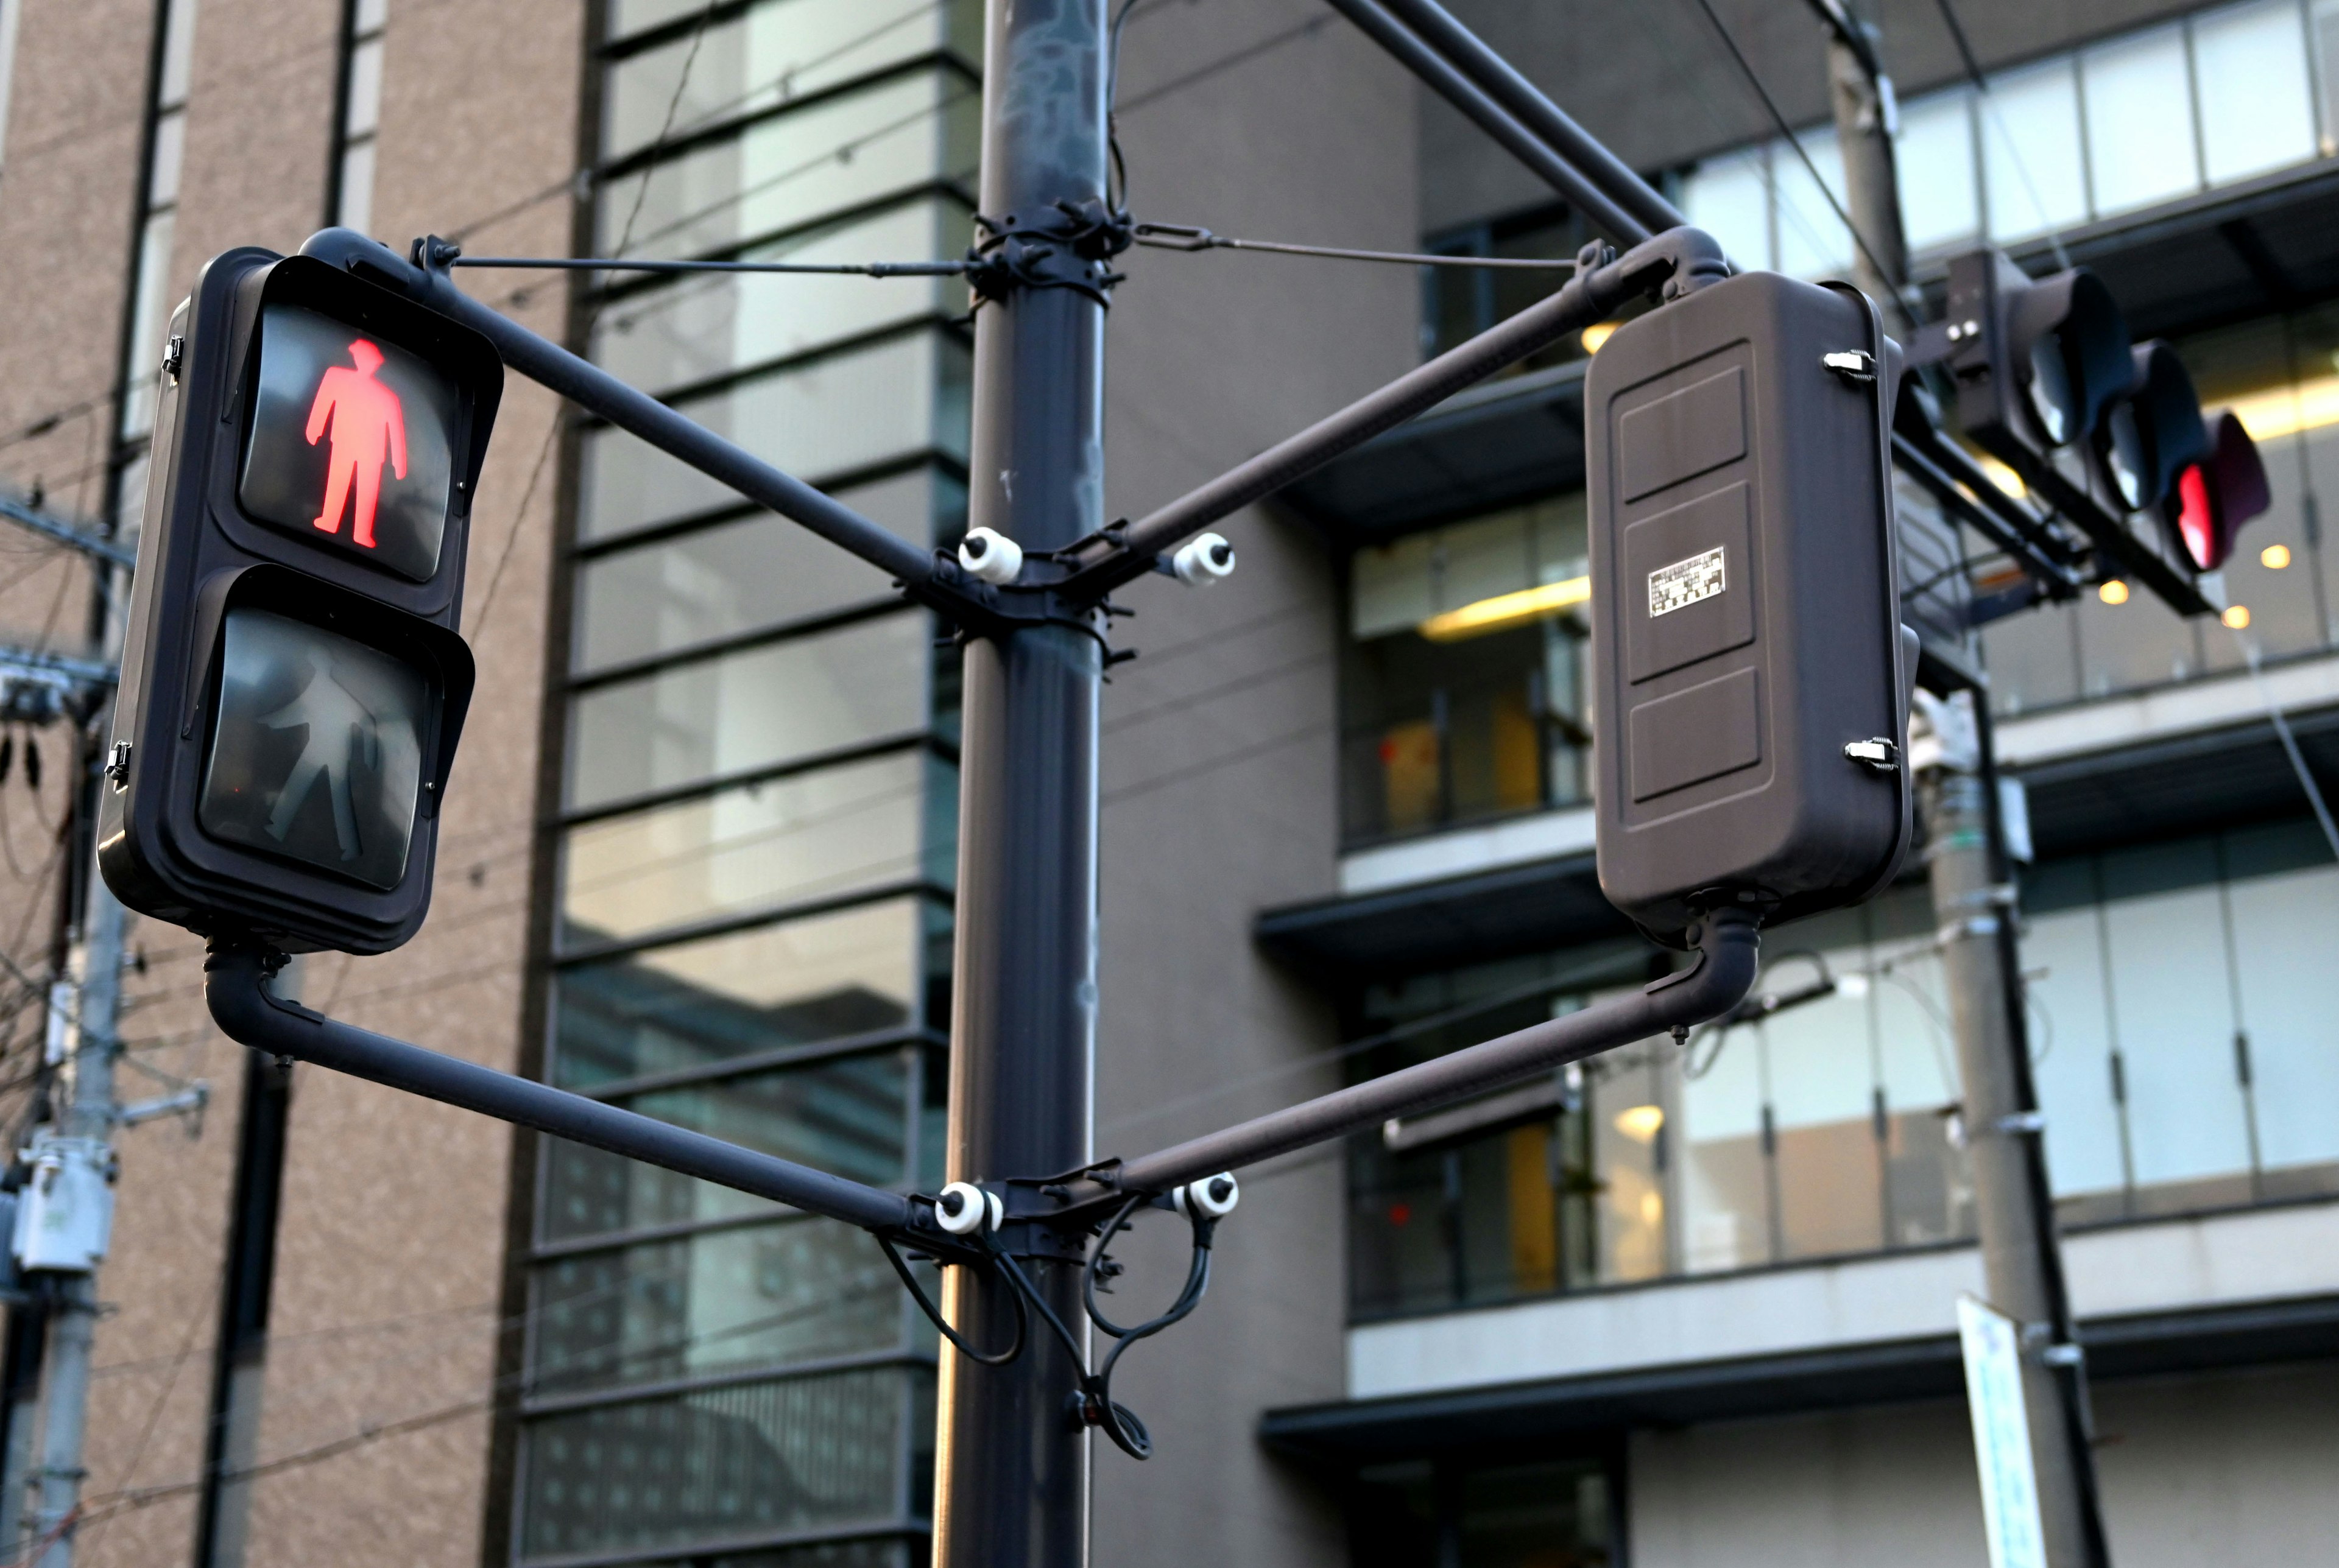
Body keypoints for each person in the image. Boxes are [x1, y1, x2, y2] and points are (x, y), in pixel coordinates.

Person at [305, 337, 407, 549]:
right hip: (344, 442)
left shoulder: (388, 397)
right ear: (354, 357)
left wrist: (399, 462)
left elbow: (395, 431)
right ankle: (329, 520)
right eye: (362, 357)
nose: (366, 363)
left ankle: (362, 533)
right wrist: (315, 428)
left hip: (372, 453)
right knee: (338, 482)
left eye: (371, 361)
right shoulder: (337, 377)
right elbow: (324, 402)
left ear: (376, 365)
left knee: (367, 492)